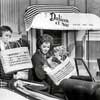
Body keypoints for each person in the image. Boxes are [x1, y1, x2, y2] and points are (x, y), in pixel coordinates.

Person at [31, 34, 67, 99]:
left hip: (49, 84)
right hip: (41, 87)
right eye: (44, 47)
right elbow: (40, 76)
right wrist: (49, 68)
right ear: (39, 46)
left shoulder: (47, 55)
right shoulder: (36, 57)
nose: (46, 49)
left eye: (48, 47)